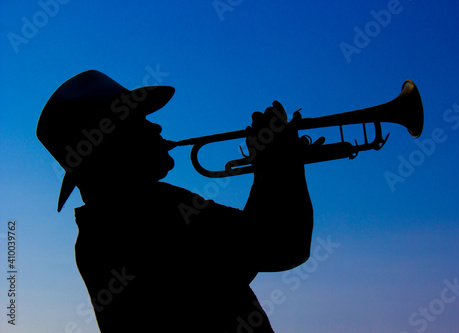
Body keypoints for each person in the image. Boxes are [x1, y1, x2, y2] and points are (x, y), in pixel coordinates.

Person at [37, 70, 314, 332]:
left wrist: (275, 166)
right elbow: (282, 244)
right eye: (139, 121)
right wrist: (280, 163)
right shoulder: (149, 212)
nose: (156, 125)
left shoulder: (100, 232)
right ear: (111, 144)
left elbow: (240, 257)